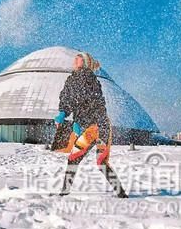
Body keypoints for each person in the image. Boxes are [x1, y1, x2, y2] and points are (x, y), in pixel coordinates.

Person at [54, 52, 127, 197]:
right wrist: (63, 113)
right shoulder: (72, 79)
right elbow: (68, 98)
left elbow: (94, 104)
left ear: (85, 62)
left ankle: (121, 193)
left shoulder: (90, 80)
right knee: (79, 159)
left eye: (79, 57)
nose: (75, 58)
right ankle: (65, 192)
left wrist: (81, 122)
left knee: (98, 161)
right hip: (90, 126)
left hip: (98, 126)